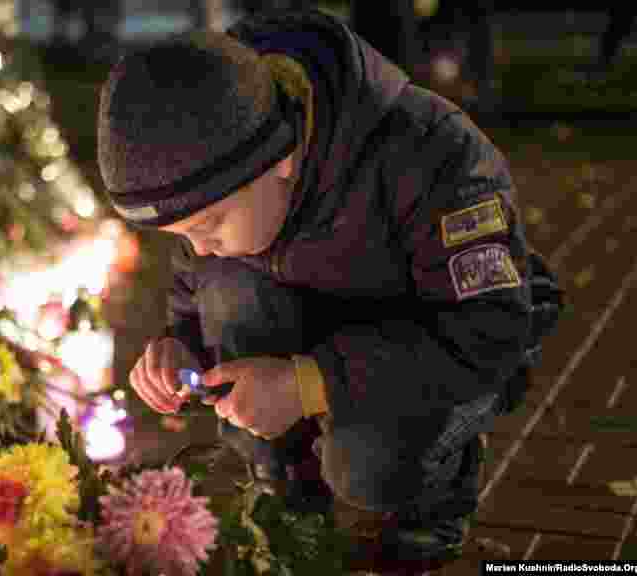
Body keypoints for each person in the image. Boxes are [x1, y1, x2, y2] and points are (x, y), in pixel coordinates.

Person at [97, 8, 550, 565]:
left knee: (368, 467)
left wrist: (309, 384)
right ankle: (284, 486)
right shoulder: (226, 175)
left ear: (280, 160)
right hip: (321, 333)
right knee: (228, 284)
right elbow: (198, 282)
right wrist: (181, 342)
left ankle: (432, 494)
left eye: (208, 225)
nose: (199, 247)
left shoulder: (433, 156)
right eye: (181, 236)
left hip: (433, 349)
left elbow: (487, 332)